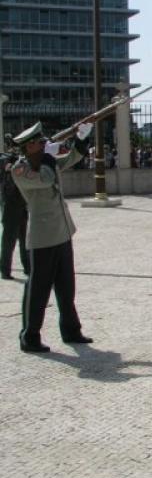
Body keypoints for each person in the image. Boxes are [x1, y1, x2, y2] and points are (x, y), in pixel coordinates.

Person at [11, 121, 94, 353]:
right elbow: (46, 179)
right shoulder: (20, 169)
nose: (42, 144)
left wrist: (81, 140)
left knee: (66, 287)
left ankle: (71, 330)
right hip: (43, 238)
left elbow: (71, 159)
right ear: (28, 147)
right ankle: (30, 336)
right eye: (38, 142)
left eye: (42, 141)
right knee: (38, 290)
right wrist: (48, 156)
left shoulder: (45, 162)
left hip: (62, 231)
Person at [0, 138, 30, 280]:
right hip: (10, 206)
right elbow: (7, 170)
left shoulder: (22, 160)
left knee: (25, 240)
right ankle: (5, 270)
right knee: (9, 240)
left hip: (22, 204)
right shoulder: (4, 160)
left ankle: (28, 267)